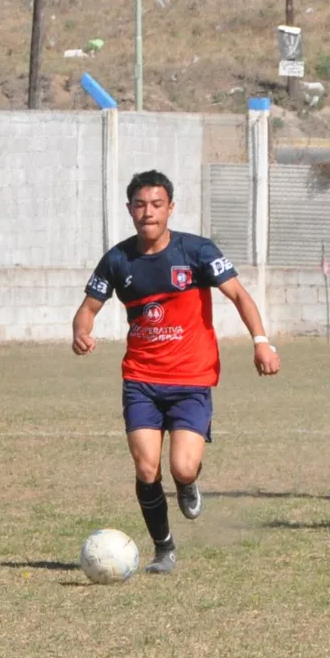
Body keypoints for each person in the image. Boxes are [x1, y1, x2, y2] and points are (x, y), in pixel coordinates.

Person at [72, 170, 280, 575]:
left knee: (181, 467)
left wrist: (260, 341)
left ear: (170, 208)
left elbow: (239, 294)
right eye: (139, 205)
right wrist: (81, 332)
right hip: (141, 379)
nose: (147, 213)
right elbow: (88, 308)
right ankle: (163, 548)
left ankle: (187, 482)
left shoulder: (197, 251)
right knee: (147, 468)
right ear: (129, 209)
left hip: (191, 379)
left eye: (156, 204)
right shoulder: (118, 259)